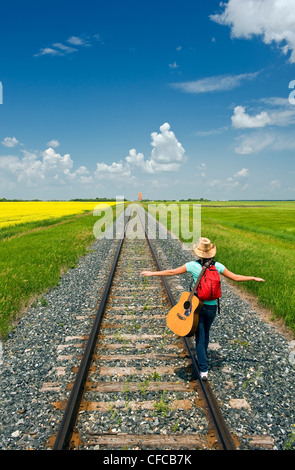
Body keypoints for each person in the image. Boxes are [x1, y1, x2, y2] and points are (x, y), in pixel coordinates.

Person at [141, 237, 265, 380]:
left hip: (198, 307)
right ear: (211, 253)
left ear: (198, 253)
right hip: (212, 308)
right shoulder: (217, 266)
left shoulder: (192, 266)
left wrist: (152, 273)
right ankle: (202, 358)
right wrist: (253, 278)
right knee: (205, 333)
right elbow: (236, 277)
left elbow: (171, 272)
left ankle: (204, 370)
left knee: (200, 337)